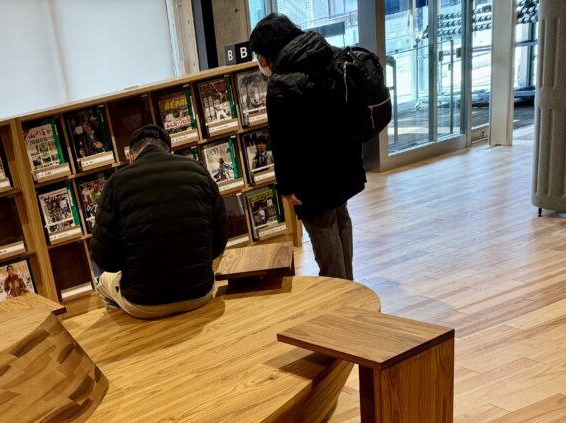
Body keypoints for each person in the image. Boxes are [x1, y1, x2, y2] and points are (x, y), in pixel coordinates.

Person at [250, 13, 366, 280]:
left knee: (323, 228)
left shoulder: (280, 83)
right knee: (341, 219)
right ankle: (349, 286)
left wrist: (286, 187)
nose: (260, 62)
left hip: (312, 177)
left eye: (259, 55)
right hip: (344, 161)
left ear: (270, 51)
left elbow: (283, 142)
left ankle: (338, 294)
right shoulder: (330, 54)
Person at [90, 124, 226, 319]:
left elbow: (105, 258)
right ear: (169, 150)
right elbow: (219, 241)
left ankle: (132, 334)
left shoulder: (116, 182)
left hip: (144, 302)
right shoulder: (198, 171)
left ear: (131, 156)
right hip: (200, 292)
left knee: (104, 281)